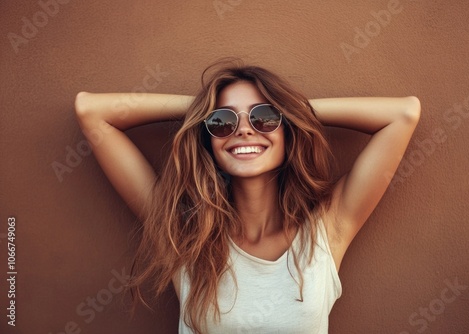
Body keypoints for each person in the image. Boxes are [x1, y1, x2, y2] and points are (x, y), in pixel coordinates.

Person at [74, 60, 420, 333]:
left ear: (288, 131)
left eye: (264, 117)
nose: (243, 129)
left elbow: (403, 115)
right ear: (208, 138)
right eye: (222, 121)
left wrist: (290, 108)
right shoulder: (184, 234)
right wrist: (201, 110)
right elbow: (92, 112)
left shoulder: (328, 229)